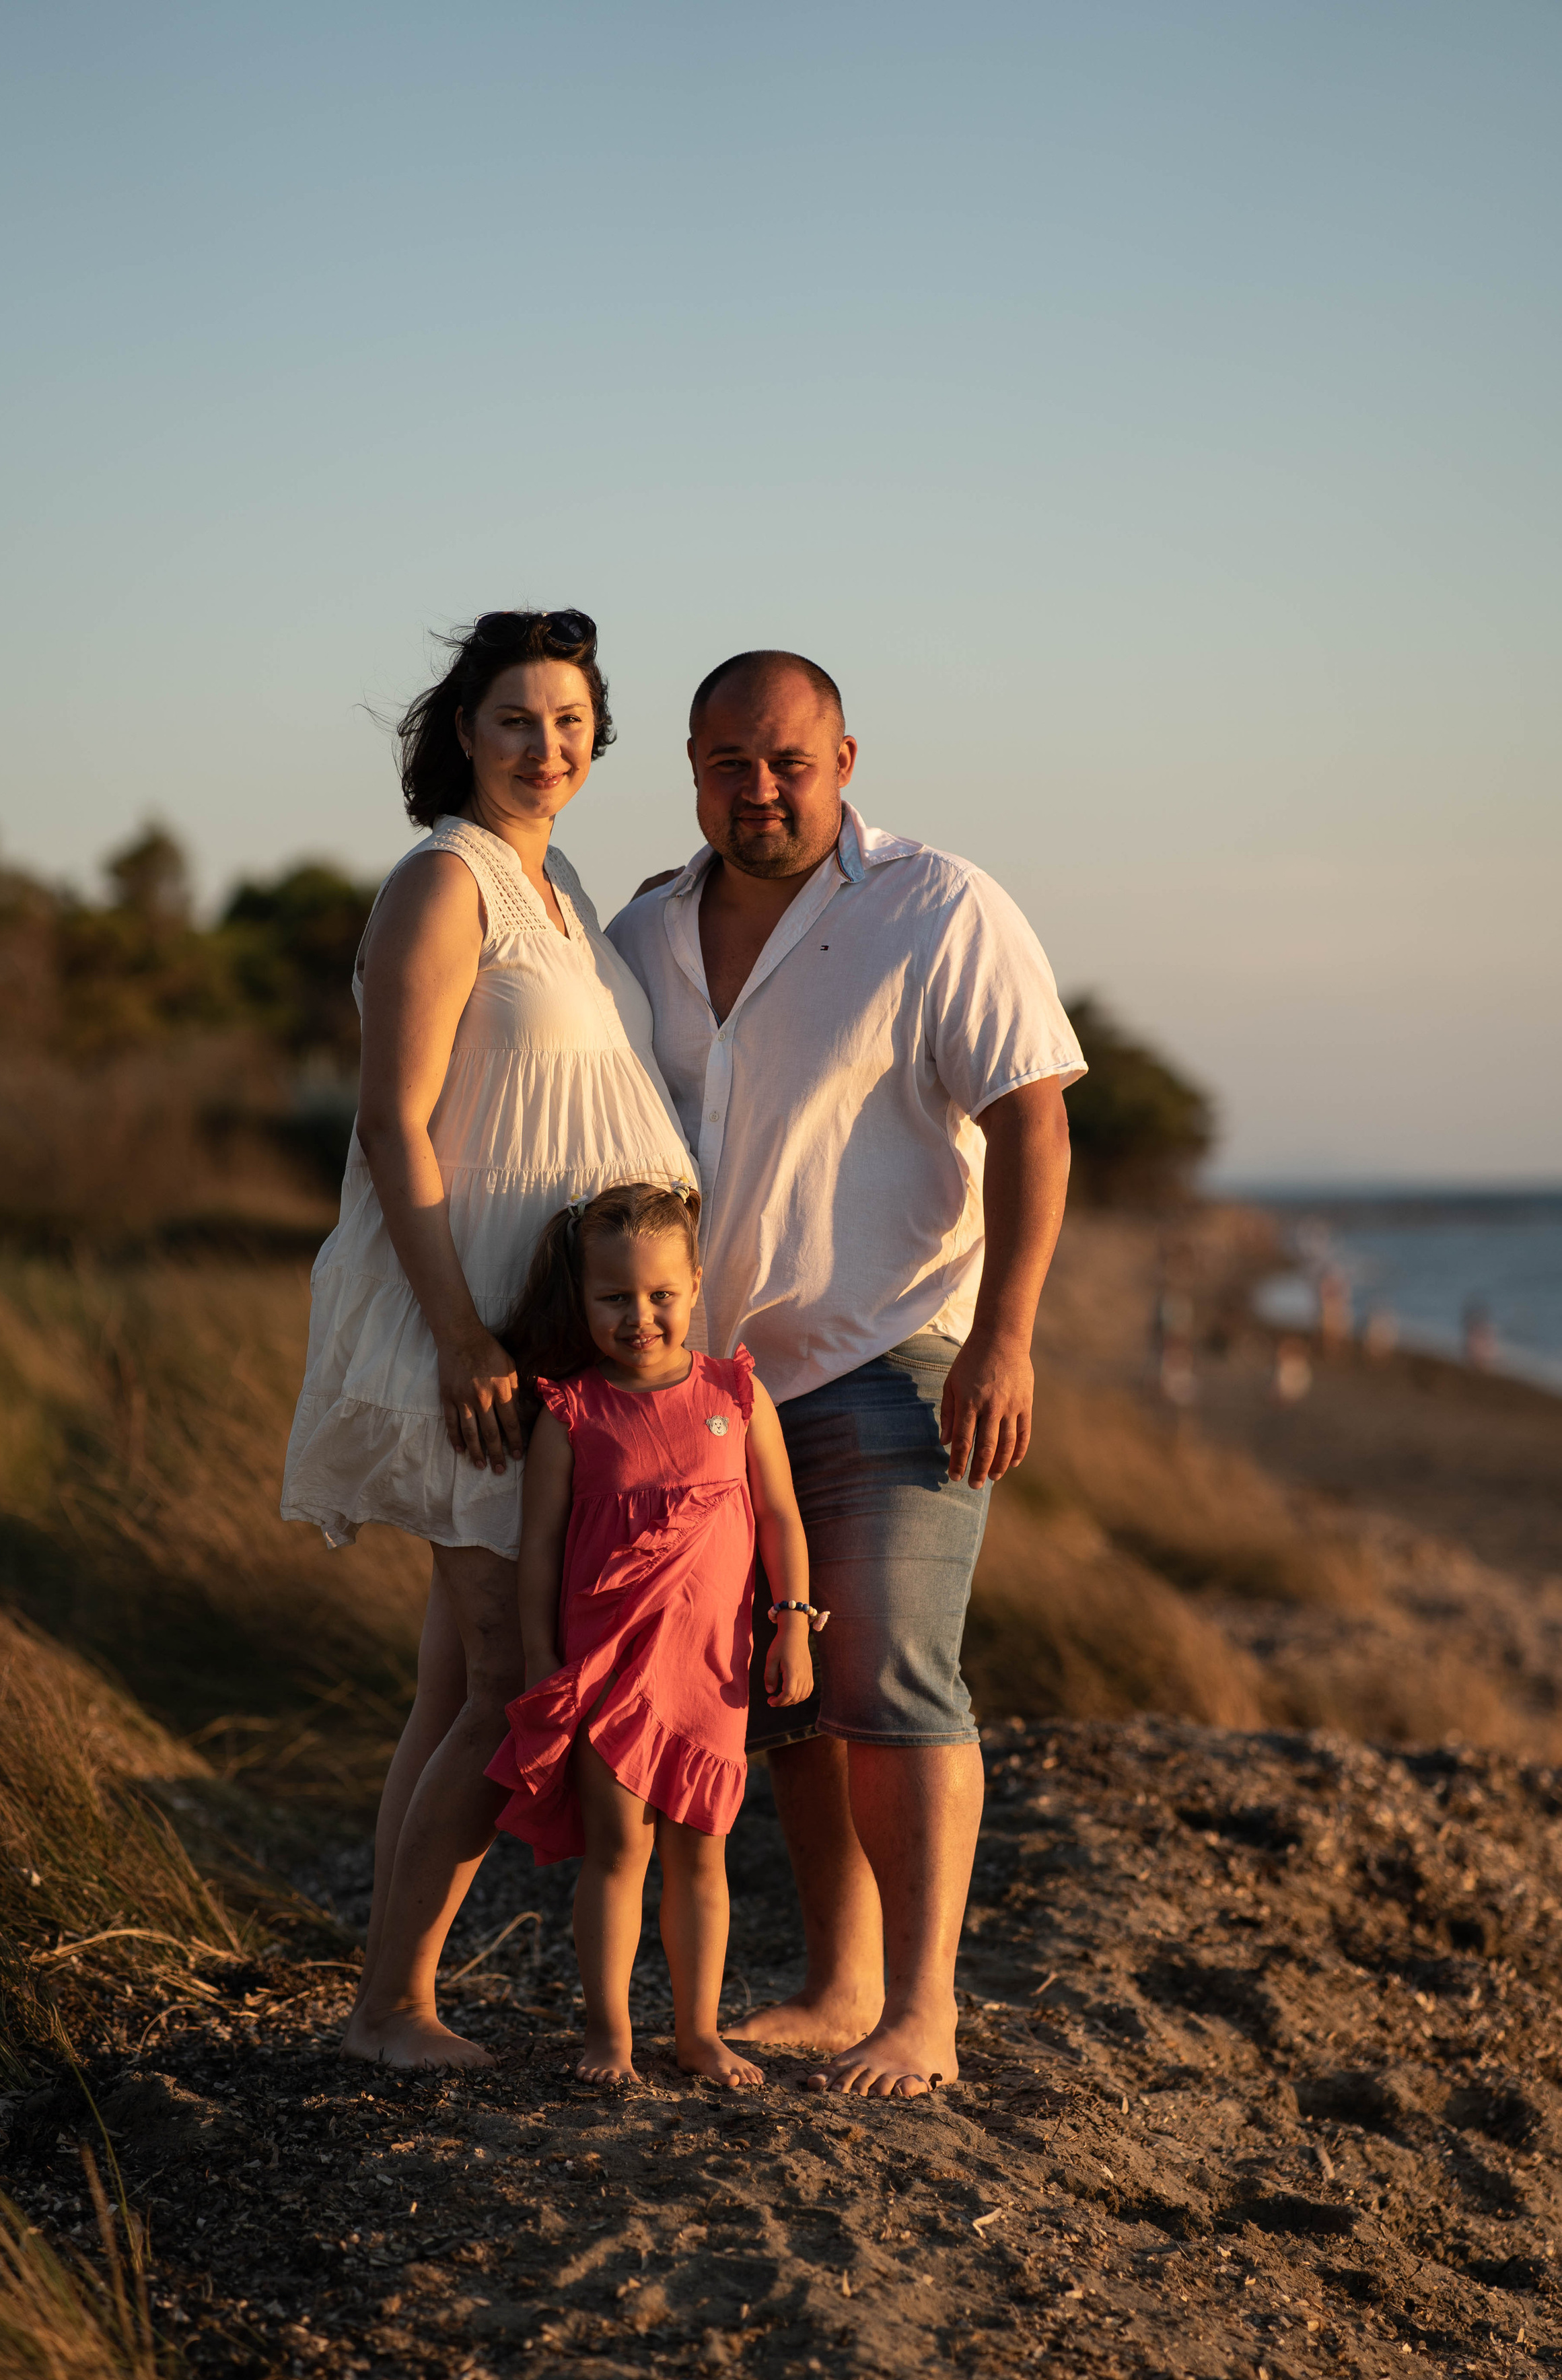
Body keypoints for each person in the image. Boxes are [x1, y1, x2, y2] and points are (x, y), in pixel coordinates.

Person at [608, 650, 1084, 2100]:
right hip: (714, 1394)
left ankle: (921, 2015)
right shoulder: (645, 929)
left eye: (786, 761)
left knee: (892, 1684)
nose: (757, 789)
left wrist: (1004, 1338)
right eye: (725, 763)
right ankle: (835, 1986)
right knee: (785, 1700)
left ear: (844, 759)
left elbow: (1034, 1125)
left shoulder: (934, 907)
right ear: (691, 768)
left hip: (893, 1360)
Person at [282, 609, 695, 2070]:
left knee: (453, 1686)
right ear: (462, 728)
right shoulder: (439, 881)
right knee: (503, 1681)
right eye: (517, 720)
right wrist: (461, 1338)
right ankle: (392, 2008)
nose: (547, 748)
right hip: (477, 1342)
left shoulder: (563, 887)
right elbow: (394, 1121)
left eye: (573, 724)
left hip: (566, 1338)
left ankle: (382, 1998)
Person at [487, 1181, 816, 2089]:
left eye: (662, 1295)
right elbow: (540, 1554)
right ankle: (609, 2034)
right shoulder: (571, 1414)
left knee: (702, 1858)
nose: (641, 1316)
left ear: (696, 1284)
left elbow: (783, 1520)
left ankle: (700, 2033)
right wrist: (541, 1661)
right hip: (608, 1670)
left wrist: (793, 1625)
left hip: (712, 1673)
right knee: (618, 1851)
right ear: (583, 1300)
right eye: (614, 1298)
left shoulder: (736, 1396)